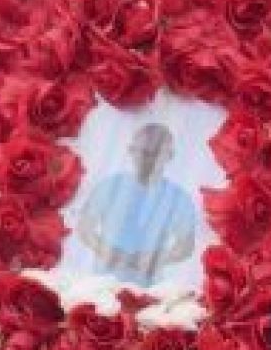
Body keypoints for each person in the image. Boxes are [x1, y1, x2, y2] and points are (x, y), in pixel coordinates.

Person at [68, 120, 200, 286]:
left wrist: (155, 259)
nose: (149, 159)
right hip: (102, 286)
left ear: (170, 155)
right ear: (131, 151)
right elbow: (85, 228)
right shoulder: (110, 186)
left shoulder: (179, 198)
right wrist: (108, 251)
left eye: (156, 153)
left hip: (149, 289)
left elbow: (186, 245)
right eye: (144, 152)